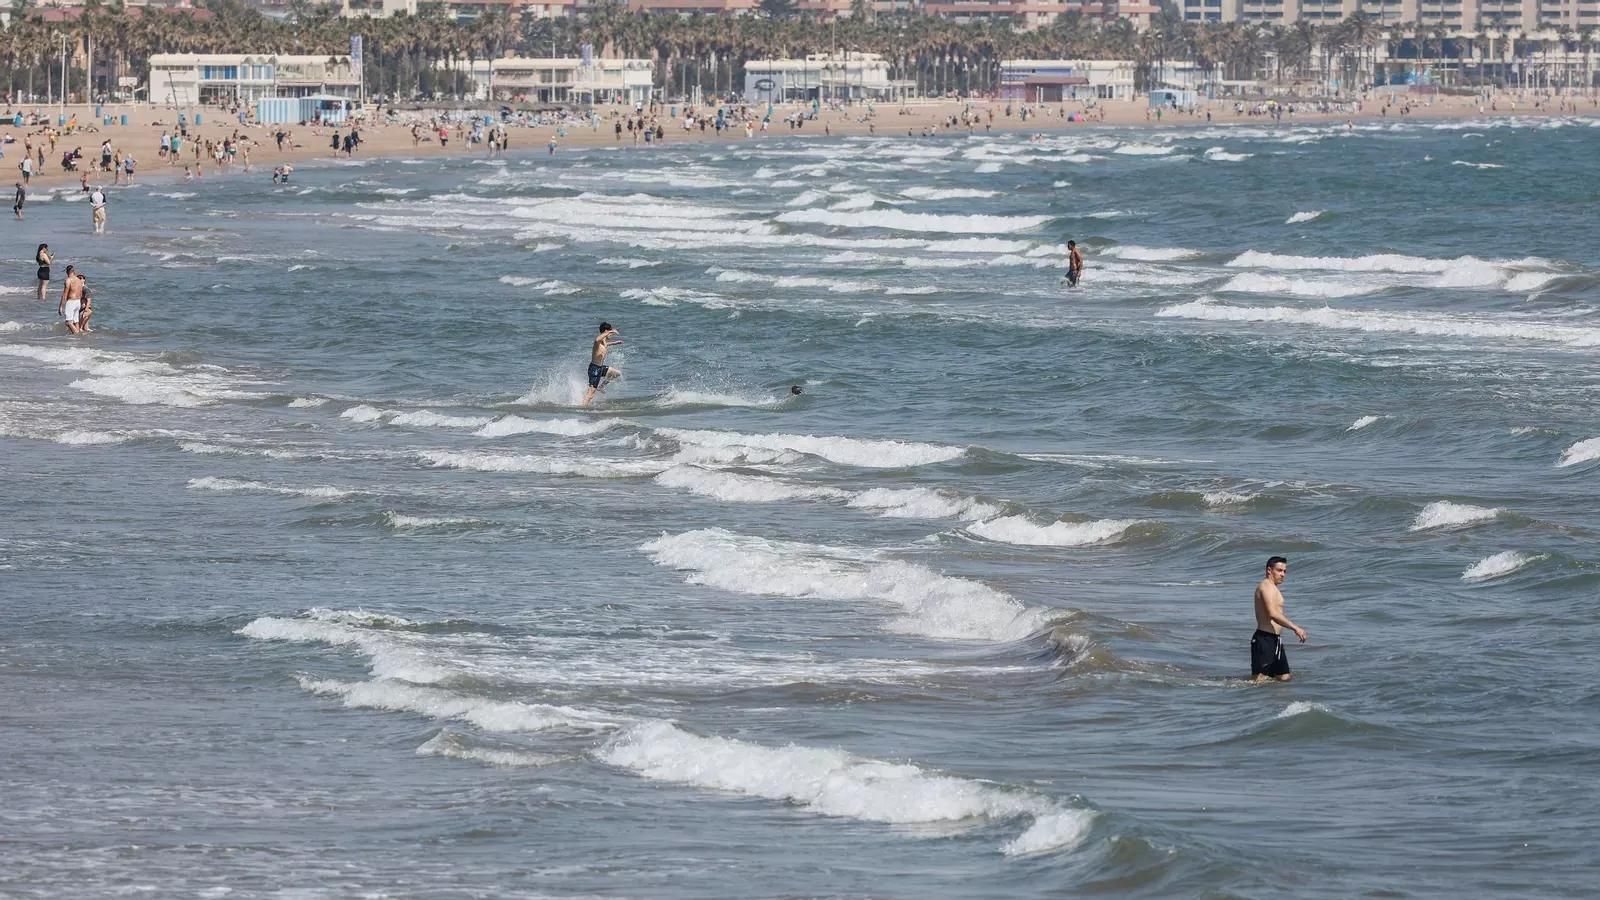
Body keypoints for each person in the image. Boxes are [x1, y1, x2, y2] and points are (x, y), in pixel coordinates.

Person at [1251, 556, 1307, 683]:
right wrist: (1295, 628)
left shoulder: (1273, 588)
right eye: (1279, 570)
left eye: (1284, 571)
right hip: (1264, 639)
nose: (1283, 574)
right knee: (1259, 681)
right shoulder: (1266, 586)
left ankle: (1277, 702)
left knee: (1284, 677)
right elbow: (1272, 613)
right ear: (1269, 570)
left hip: (1275, 640)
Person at [582, 322, 623, 406]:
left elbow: (606, 345)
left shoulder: (604, 343)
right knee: (591, 394)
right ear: (605, 331)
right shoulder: (598, 342)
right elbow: (597, 340)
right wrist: (609, 332)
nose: (610, 335)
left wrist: (615, 343)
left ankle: (601, 387)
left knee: (616, 373)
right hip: (594, 369)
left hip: (600, 368)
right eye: (609, 333)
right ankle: (582, 407)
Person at [59, 265, 85, 335]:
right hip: (78, 302)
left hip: (71, 302)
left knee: (68, 322)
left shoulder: (68, 280)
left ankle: (77, 335)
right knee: (76, 321)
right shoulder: (79, 280)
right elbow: (81, 292)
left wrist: (61, 307)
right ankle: (76, 340)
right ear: (74, 271)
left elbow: (65, 294)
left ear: (67, 272)